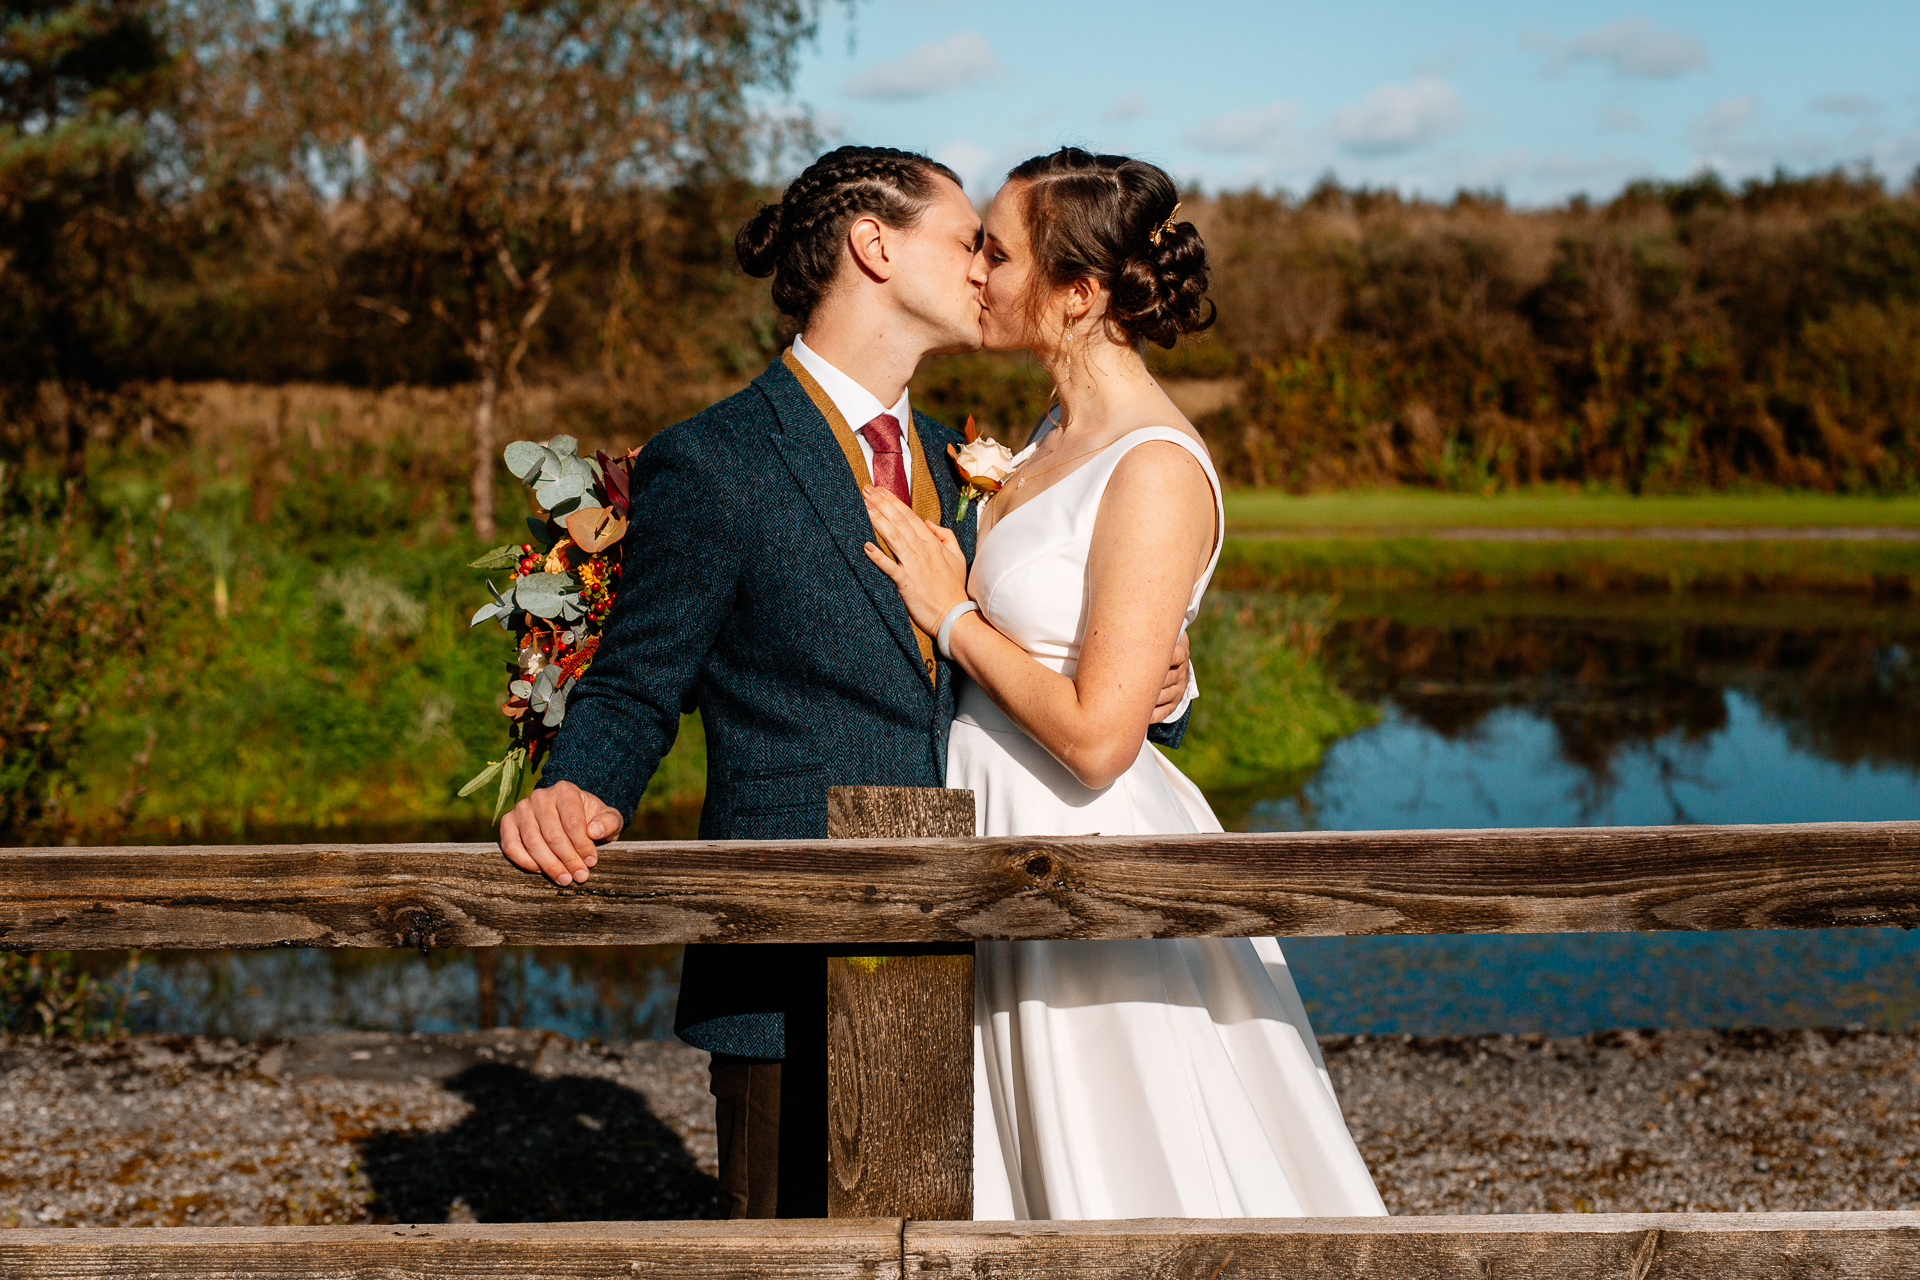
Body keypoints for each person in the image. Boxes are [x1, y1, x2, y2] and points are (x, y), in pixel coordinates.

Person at [493, 145, 1194, 1219]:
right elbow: (639, 682)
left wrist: (1167, 685)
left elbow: (1060, 672)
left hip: (986, 951)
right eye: (969, 242)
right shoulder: (714, 458)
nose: (986, 271)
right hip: (790, 961)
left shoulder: (974, 461)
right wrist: (579, 786)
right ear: (874, 244)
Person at [861, 147, 1386, 1220]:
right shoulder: (1053, 436)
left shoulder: (1152, 462)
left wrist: (952, 615)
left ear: (1079, 291)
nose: (977, 273)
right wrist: (1161, 675)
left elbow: (1101, 739)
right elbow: (1097, 646)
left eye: (998, 254)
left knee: (1124, 1154)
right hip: (1003, 823)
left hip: (1087, 842)